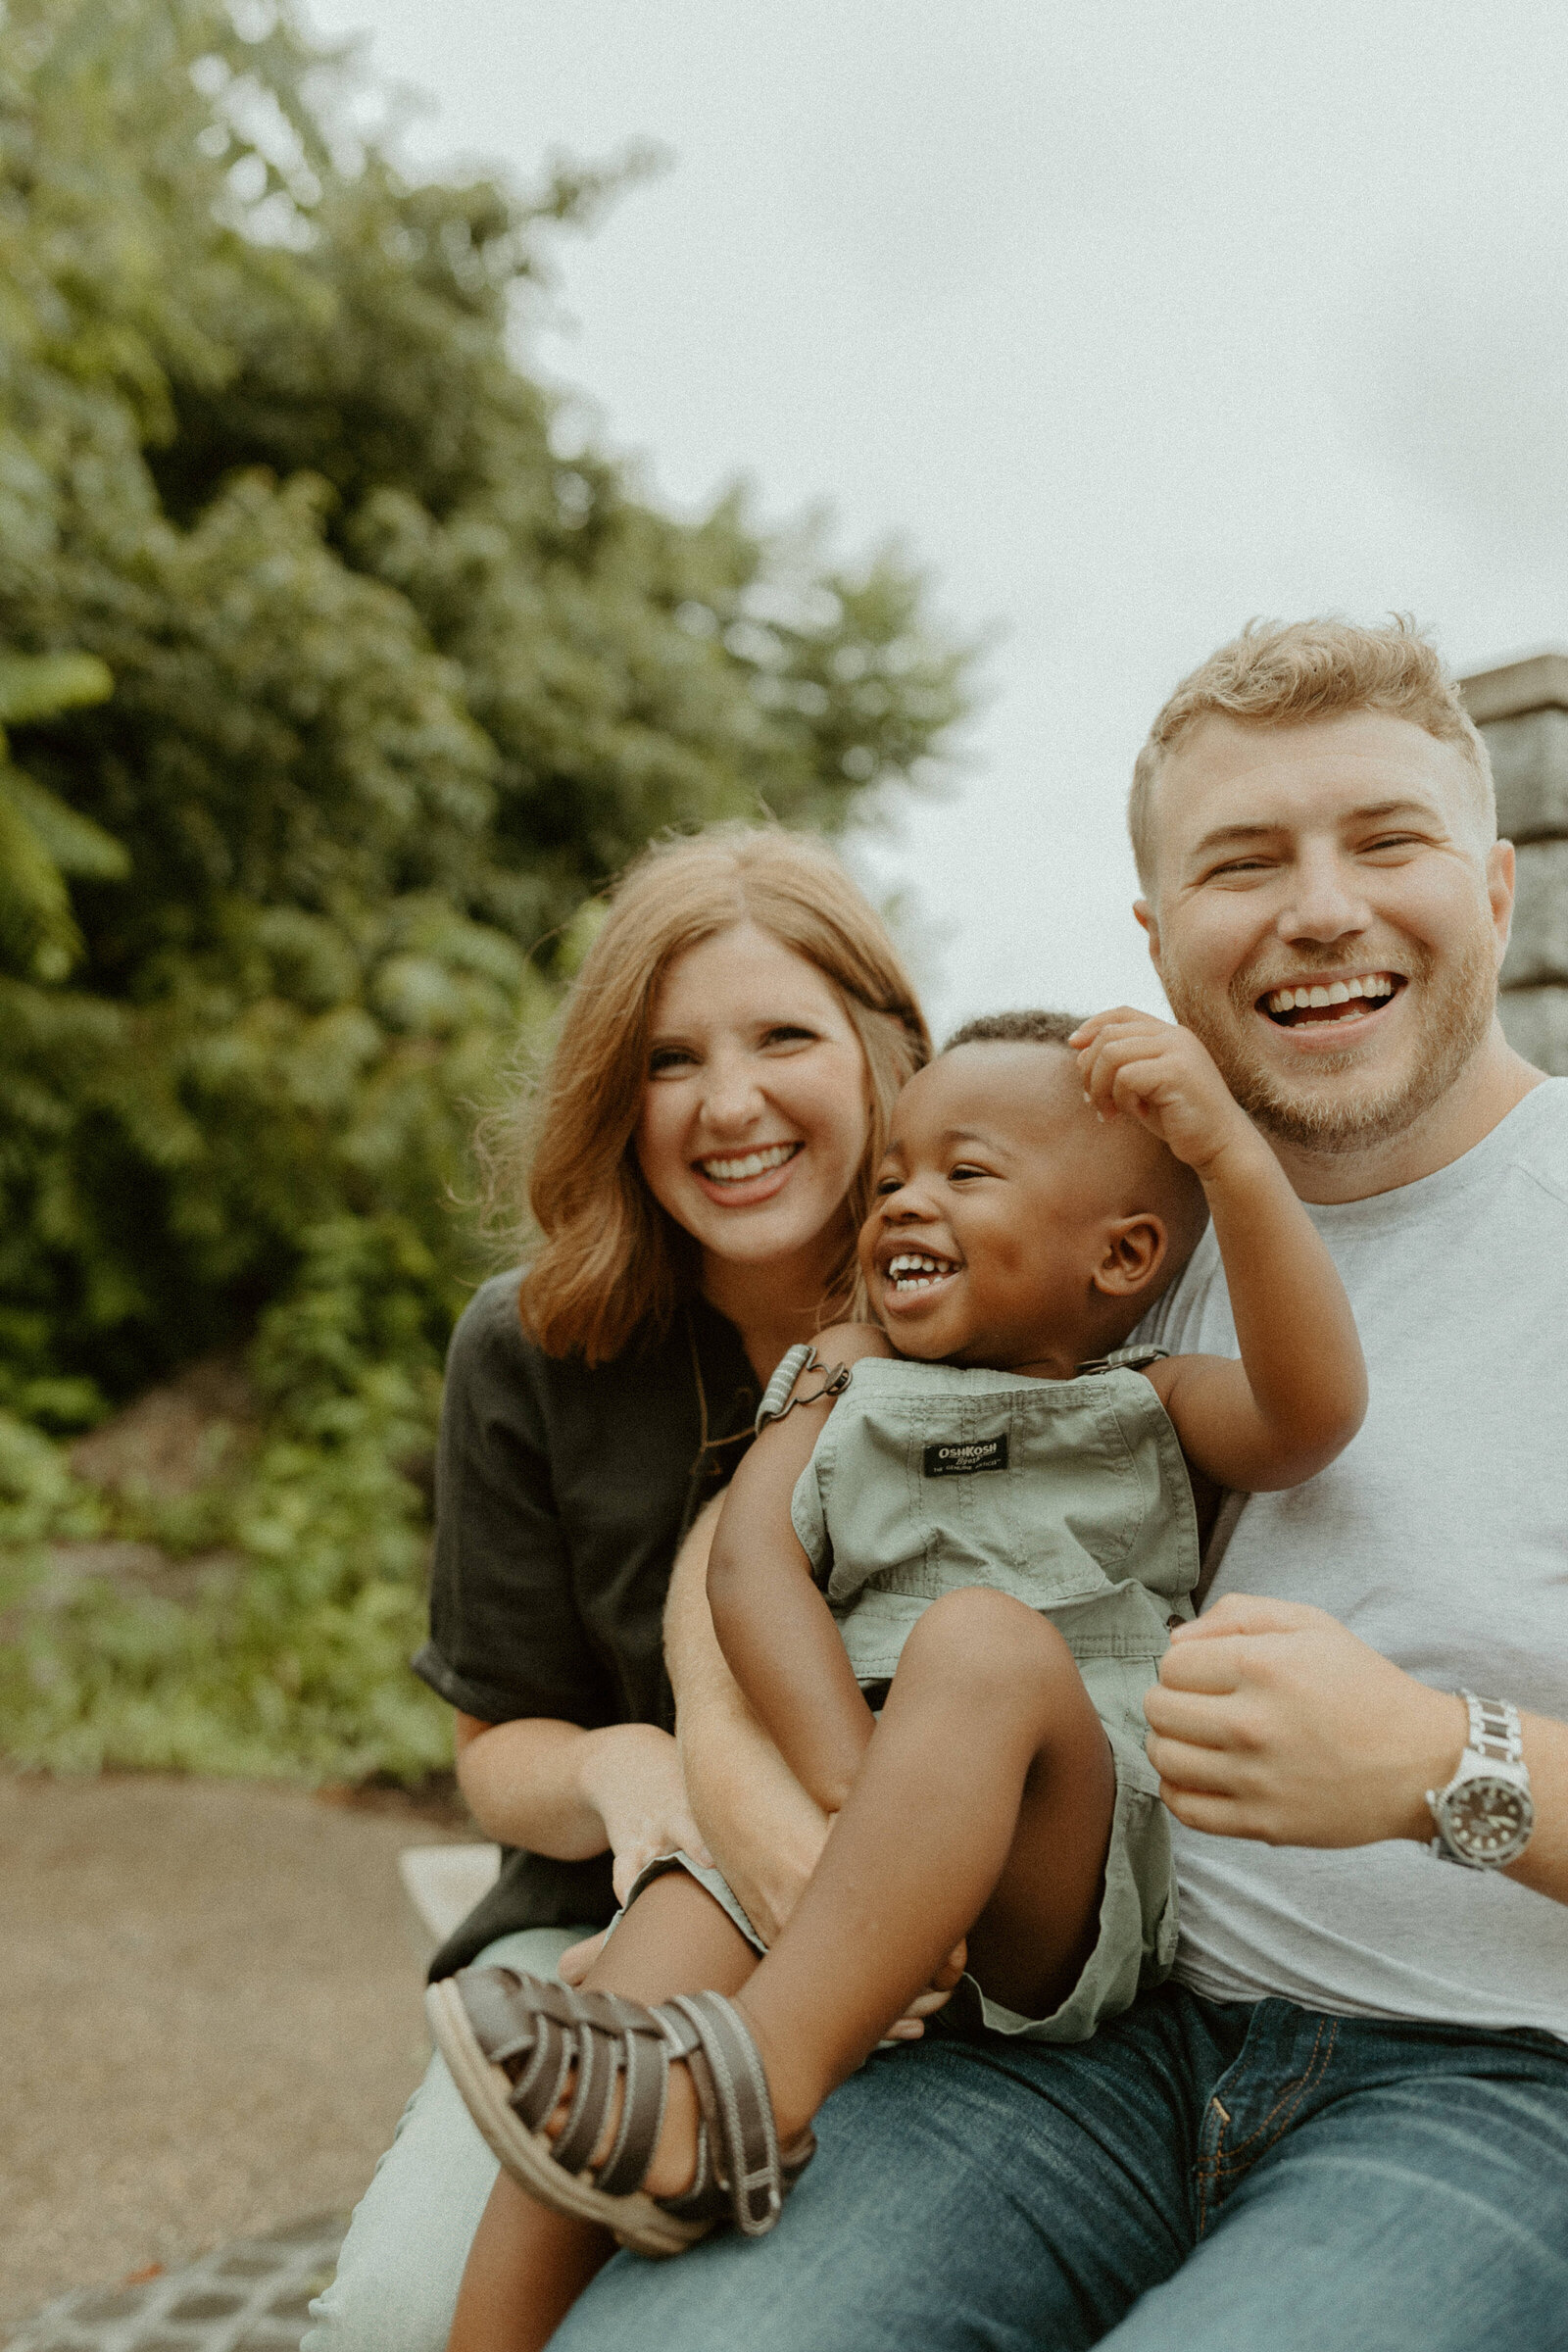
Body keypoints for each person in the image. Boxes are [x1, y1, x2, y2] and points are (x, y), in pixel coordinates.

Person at [542, 617, 1568, 2352]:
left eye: (1383, 842)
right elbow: (778, 1502)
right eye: (1246, 863)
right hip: (1069, 2048)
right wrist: (762, 1791)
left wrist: (1440, 1767)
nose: (1318, 907)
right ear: (1163, 948)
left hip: (1486, 2090)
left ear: (1494, 892)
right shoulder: (1096, 1221)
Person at [426, 1002, 1367, 2337]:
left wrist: (1234, 1157)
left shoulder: (1145, 1401)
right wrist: (860, 1808)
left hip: (1049, 1866)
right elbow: (750, 1568)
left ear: (1126, 1255)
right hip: (829, 1817)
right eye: (892, 1180)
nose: (906, 1205)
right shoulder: (842, 1390)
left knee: (979, 1642)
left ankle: (752, 2094)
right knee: (619, 2028)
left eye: (964, 1175)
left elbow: (1314, 1409)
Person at [302, 824, 930, 2352]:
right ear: (612, 1093)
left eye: (784, 1036)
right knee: (400, 2313)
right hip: (599, 1932)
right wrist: (624, 1767)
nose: (729, 1105)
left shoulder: (982, 1303)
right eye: (669, 1060)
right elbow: (496, 1755)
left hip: (924, 1976)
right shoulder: (530, 1348)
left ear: (880, 1053)